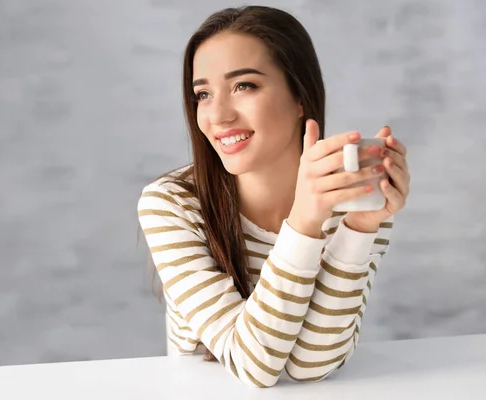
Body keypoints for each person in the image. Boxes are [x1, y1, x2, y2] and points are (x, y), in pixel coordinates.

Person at [136, 5, 410, 388]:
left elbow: (310, 367)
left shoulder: (354, 201)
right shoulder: (172, 204)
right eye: (203, 94)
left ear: (301, 97)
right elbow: (254, 367)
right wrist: (304, 223)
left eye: (243, 86)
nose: (217, 116)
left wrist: (360, 229)